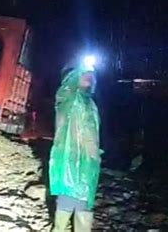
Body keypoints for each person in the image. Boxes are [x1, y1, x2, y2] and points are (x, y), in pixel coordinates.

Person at [49, 66, 102, 232]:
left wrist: (94, 155)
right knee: (68, 196)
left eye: (91, 76)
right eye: (84, 75)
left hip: (88, 160)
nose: (89, 78)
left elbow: (92, 133)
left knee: (84, 201)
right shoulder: (70, 99)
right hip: (69, 156)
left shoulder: (90, 103)